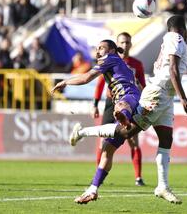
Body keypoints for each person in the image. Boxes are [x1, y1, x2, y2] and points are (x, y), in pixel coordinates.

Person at [69, 15, 187, 204]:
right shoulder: (175, 38)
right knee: (126, 132)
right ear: (183, 30)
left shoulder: (175, 42)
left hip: (166, 97)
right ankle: (83, 132)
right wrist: (183, 97)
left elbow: (178, 57)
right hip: (157, 95)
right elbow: (173, 70)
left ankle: (161, 186)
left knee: (165, 139)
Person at [51, 39, 141, 204]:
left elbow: (86, 78)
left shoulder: (110, 59)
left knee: (122, 106)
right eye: (97, 48)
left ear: (112, 51)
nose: (98, 51)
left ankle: (122, 117)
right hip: (135, 100)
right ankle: (93, 190)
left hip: (128, 99)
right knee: (107, 150)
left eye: (102, 48)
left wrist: (65, 82)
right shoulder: (117, 63)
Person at [93, 32, 146, 186]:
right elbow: (100, 83)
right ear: (116, 46)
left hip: (129, 101)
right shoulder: (108, 61)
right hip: (111, 103)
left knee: (132, 139)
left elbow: (142, 84)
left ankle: (138, 177)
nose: (125, 45)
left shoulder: (136, 64)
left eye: (127, 42)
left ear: (130, 44)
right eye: (122, 42)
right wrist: (95, 103)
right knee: (102, 138)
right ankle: (99, 175)